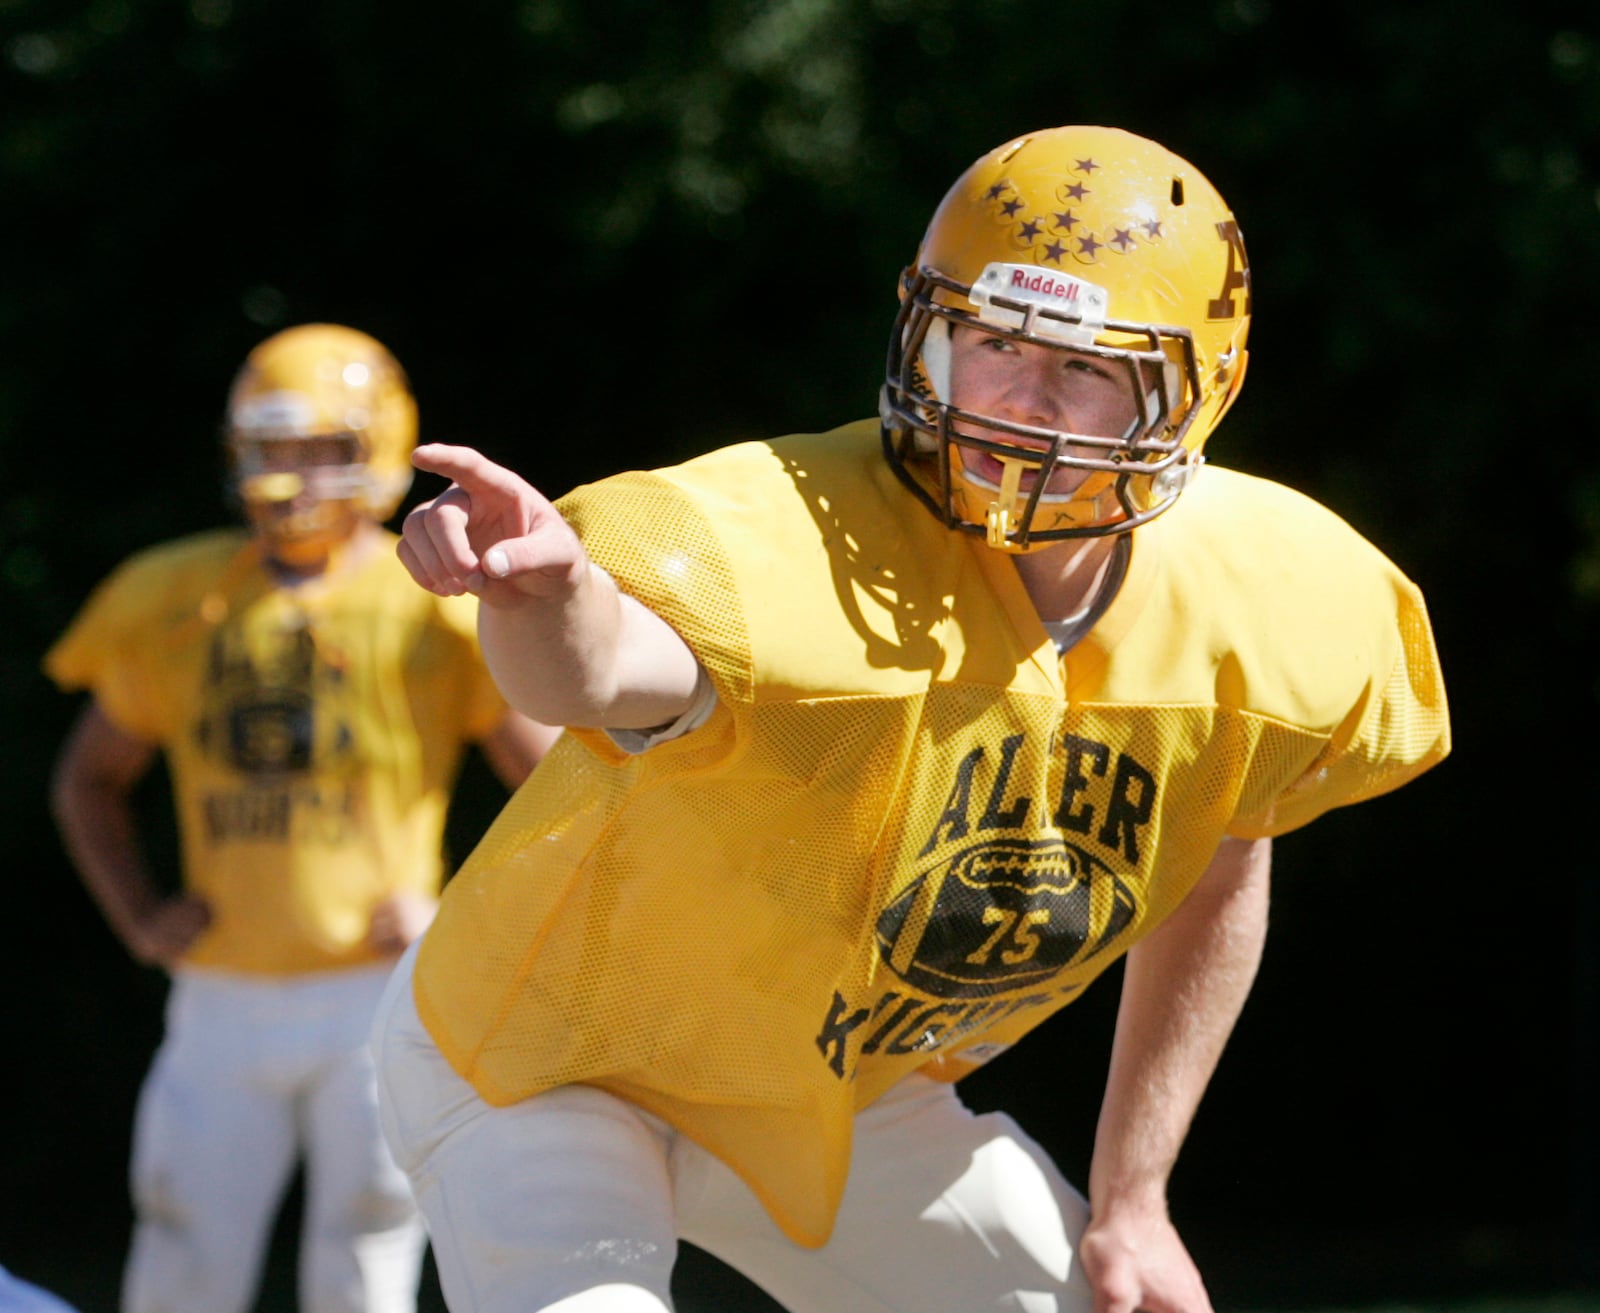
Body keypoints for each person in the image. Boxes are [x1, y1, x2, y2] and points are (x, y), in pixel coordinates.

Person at [375, 125, 1452, 1312]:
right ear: (928, 333)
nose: (1016, 401)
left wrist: (1134, 1192)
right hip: (545, 1053)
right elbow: (593, 676)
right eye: (991, 342)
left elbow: (1211, 869)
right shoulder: (799, 532)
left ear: (1196, 394)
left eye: (1085, 367)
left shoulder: (1267, 604)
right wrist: (554, 592)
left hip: (840, 1078)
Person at [44, 324, 558, 1313]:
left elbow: (560, 783)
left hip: (377, 990)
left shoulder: (433, 599)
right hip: (220, 990)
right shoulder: (173, 594)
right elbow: (86, 779)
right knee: (183, 1251)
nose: (288, 474)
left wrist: (461, 917)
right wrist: (138, 914)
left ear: (374, 443)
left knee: (365, 1256)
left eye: (316, 446)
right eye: (270, 446)